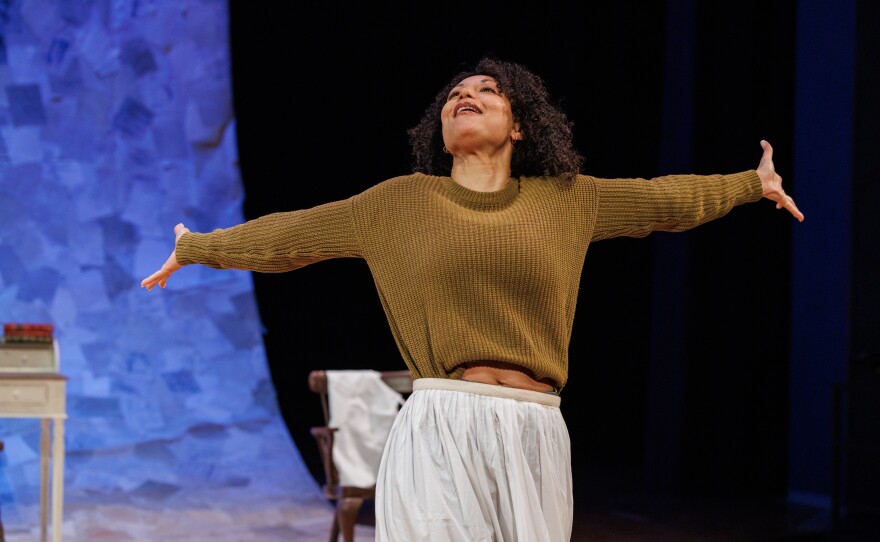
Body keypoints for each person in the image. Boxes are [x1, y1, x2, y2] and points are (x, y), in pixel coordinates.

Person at [142, 57, 803, 541]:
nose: (467, 95)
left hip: (535, 427)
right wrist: (199, 248)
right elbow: (295, 237)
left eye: (488, 91)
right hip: (441, 423)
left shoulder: (567, 200)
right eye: (457, 93)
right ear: (440, 129)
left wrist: (751, 184)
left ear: (520, 128)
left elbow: (663, 201)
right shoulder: (400, 203)